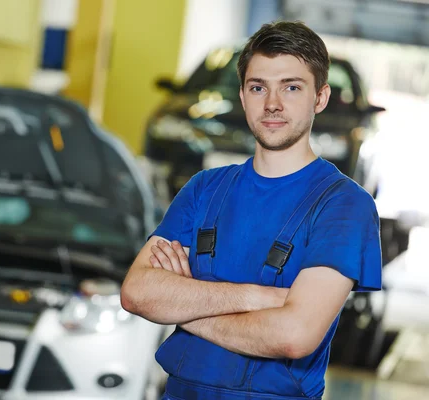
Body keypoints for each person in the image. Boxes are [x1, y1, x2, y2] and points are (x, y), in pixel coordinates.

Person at [120, 21, 382, 400]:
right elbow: (137, 294)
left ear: (320, 98)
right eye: (258, 87)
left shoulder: (344, 205)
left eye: (291, 87)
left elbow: (294, 335)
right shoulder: (203, 189)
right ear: (243, 96)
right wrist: (258, 298)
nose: (272, 104)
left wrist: (183, 304)